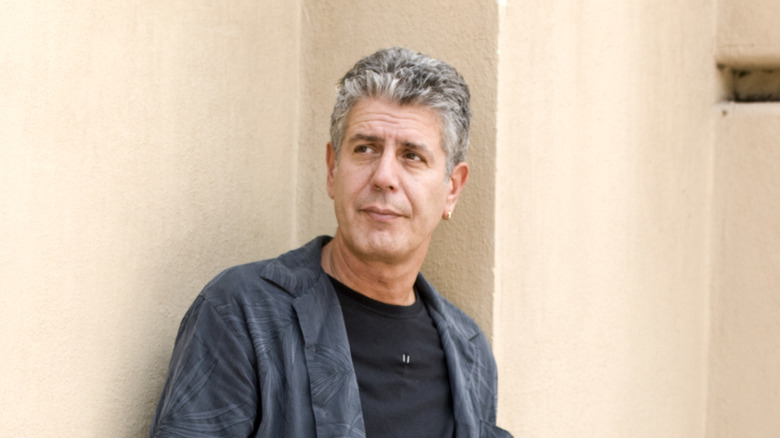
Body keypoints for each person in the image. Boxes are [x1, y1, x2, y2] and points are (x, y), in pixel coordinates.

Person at [150, 47, 512, 438]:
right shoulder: (243, 315)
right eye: (365, 148)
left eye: (411, 156)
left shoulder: (470, 353)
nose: (384, 176)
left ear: (452, 189)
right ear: (332, 169)